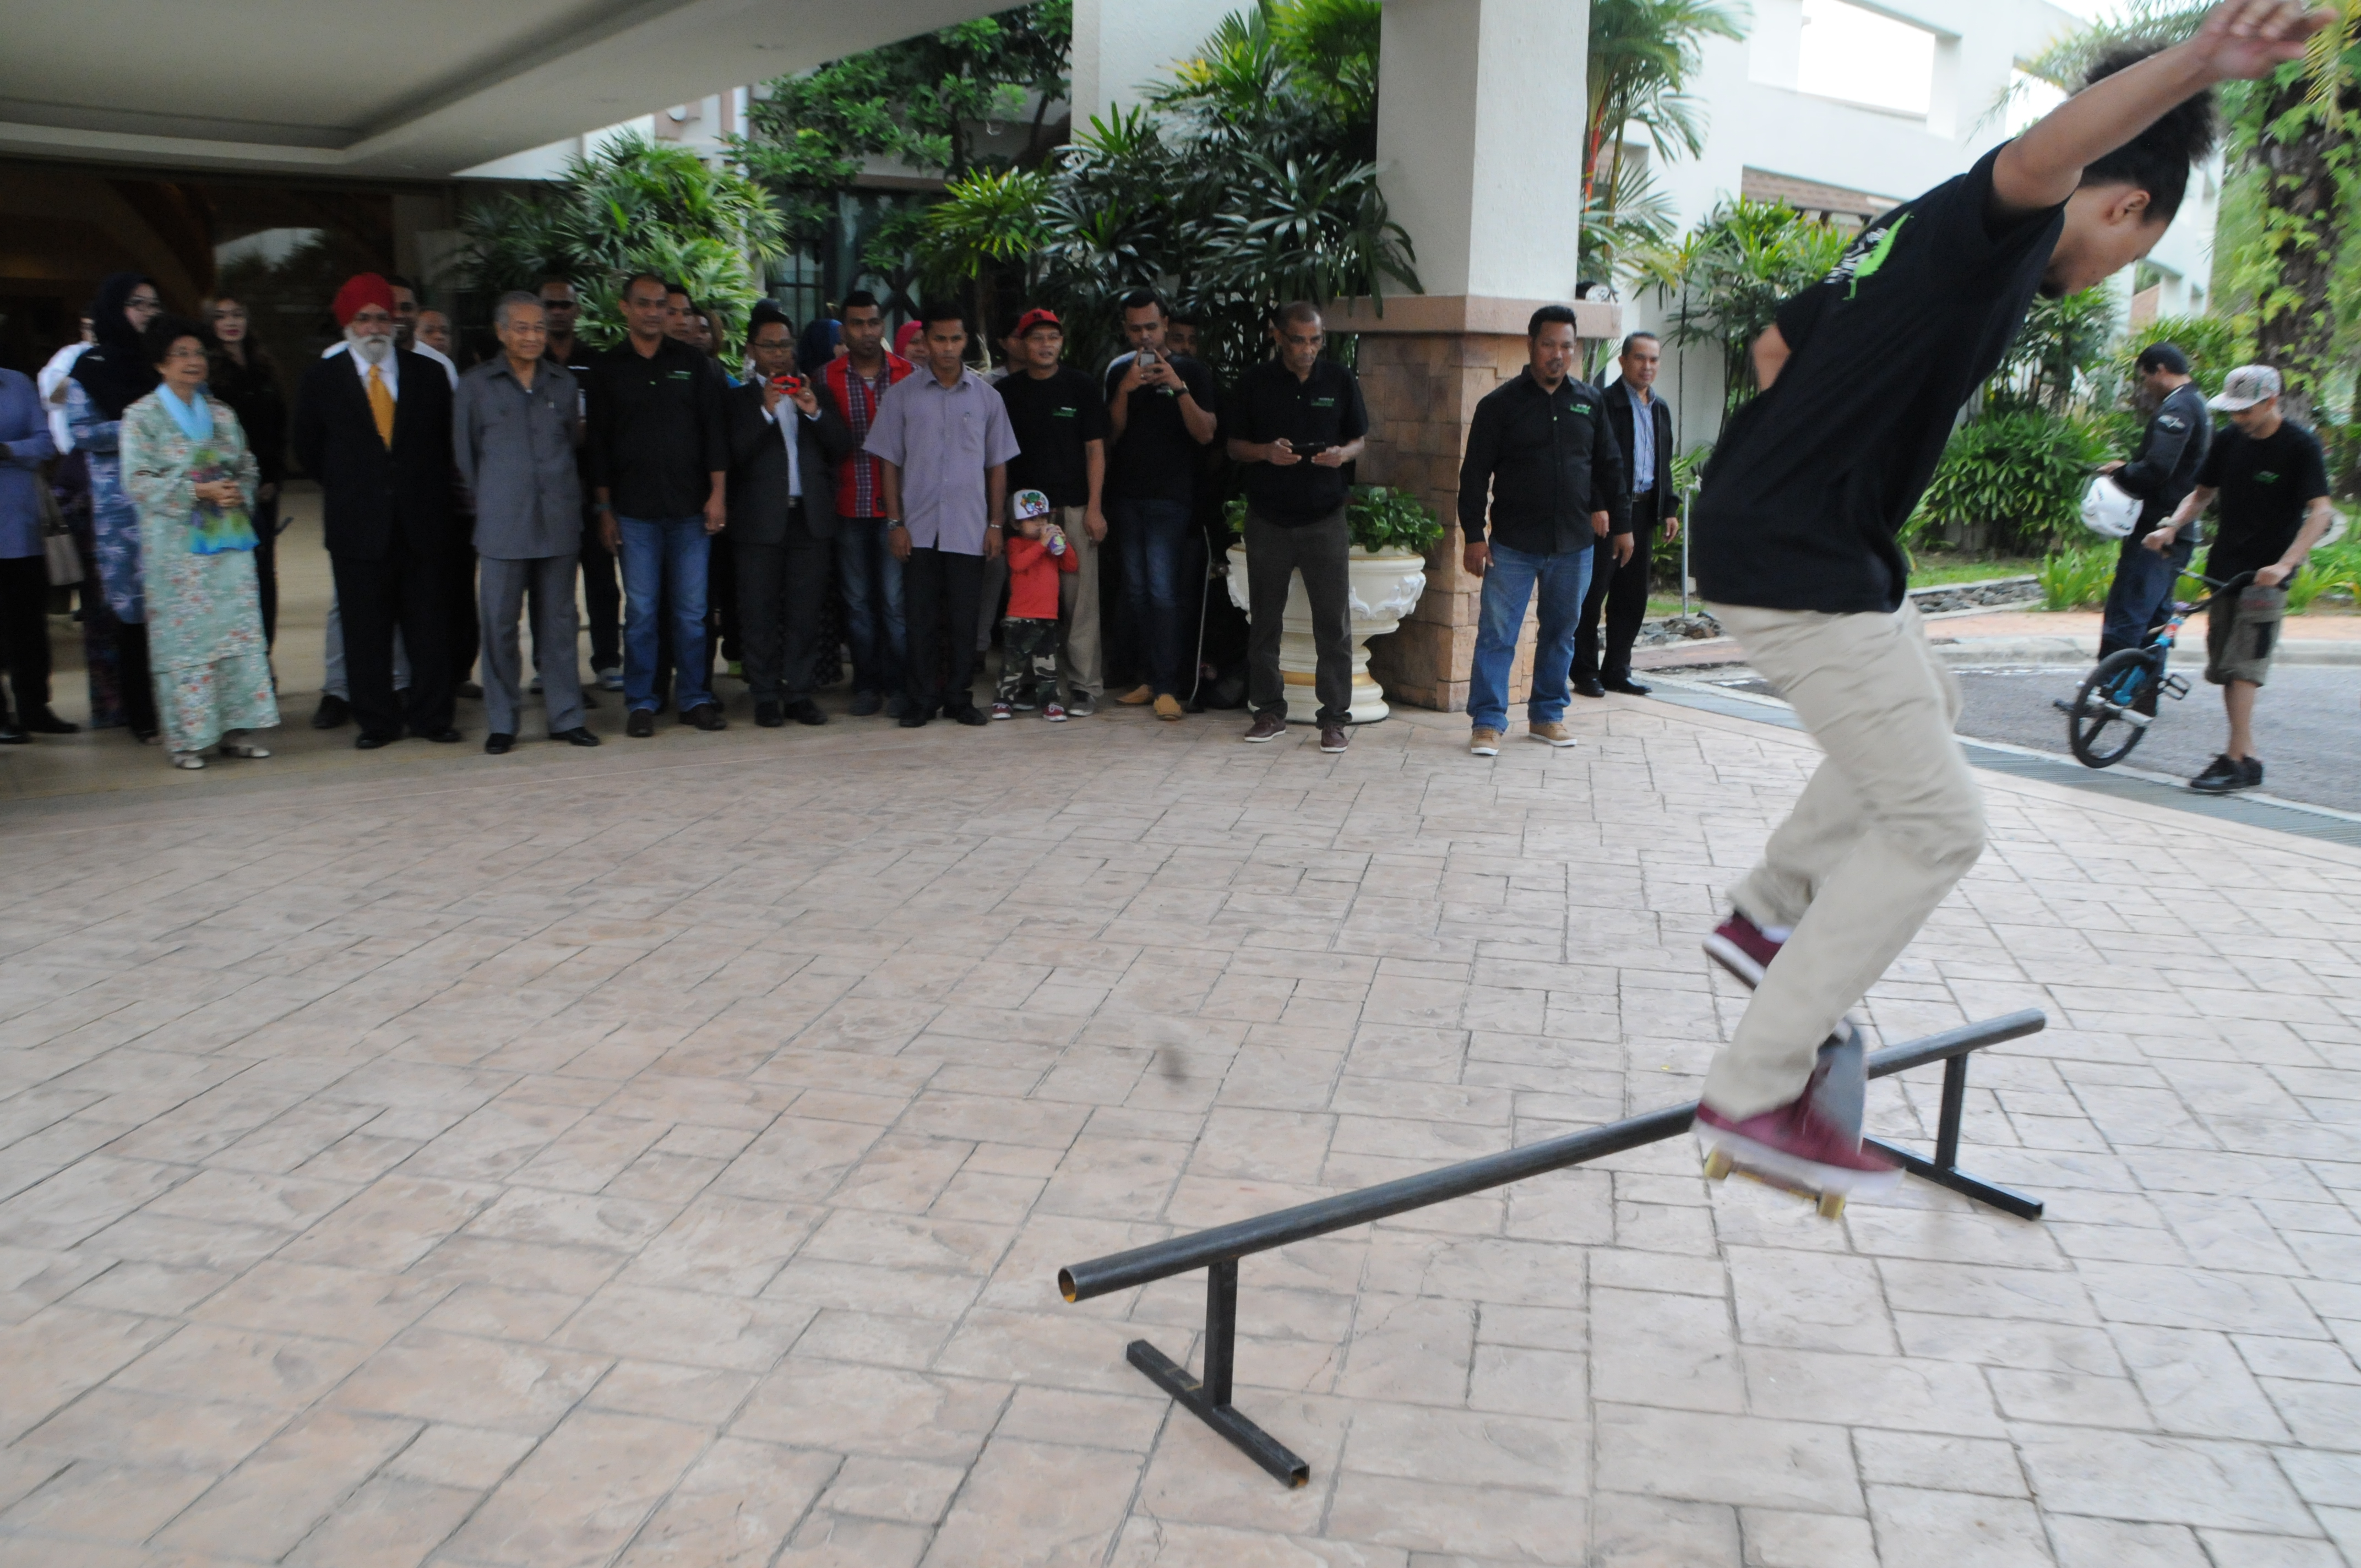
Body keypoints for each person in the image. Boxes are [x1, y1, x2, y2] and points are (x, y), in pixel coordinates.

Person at [1684, 4, 2320, 1202]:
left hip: (1801, 535)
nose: (2107, 281)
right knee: (1940, 822)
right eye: (2129, 256)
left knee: (1932, 695)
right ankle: (1755, 1086)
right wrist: (2198, 62)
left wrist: (1823, 453)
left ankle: (1766, 913)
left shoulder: (1900, 234)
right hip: (1795, 552)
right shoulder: (2003, 224)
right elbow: (2045, 155)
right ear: (2123, 207)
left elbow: (1776, 349)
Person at [2142, 363, 2332, 794]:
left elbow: (2321, 512)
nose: (2239, 418)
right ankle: (2247, 758)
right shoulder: (2229, 440)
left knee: (2245, 667)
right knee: (2227, 669)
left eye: (2246, 410)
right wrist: (2170, 526)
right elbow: (2201, 494)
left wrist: (2285, 565)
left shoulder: (2300, 446)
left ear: (2271, 402)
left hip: (2267, 577)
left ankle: (2233, 759)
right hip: (2225, 567)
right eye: (2233, 410)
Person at [290, 273, 461, 749]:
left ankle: (433, 718)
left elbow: (445, 445)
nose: (374, 328)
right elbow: (308, 449)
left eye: (382, 318)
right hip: (358, 527)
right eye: (363, 319)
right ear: (348, 324)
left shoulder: (428, 374)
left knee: (429, 628)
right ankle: (377, 722)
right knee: (365, 631)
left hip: (422, 525)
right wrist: (357, 489)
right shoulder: (322, 379)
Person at [1457, 306, 1629, 756]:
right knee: (1497, 635)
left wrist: (1623, 525)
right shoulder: (1499, 406)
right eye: (1549, 344)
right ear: (1531, 344)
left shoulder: (1589, 402)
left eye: (1567, 346)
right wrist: (1474, 535)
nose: (1558, 354)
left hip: (1574, 545)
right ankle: (1487, 722)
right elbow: (1474, 475)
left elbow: (1608, 466)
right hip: (1513, 544)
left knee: (1561, 633)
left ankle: (1547, 715)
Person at [119, 314, 278, 769]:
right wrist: (197, 491)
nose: (194, 361)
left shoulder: (222, 414)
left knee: (235, 633)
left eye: (199, 353)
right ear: (160, 363)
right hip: (177, 549)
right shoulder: (141, 417)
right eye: (181, 354)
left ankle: (237, 730)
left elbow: (247, 465)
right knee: (186, 643)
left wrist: (237, 491)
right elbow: (137, 482)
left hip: (228, 543)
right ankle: (188, 740)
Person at [454, 292, 600, 756]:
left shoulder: (562, 383)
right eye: (522, 328)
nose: (533, 336)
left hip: (557, 521)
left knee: (559, 624)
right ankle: (503, 722)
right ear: (501, 333)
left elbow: (571, 444)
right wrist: (497, 498)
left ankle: (566, 717)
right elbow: (466, 457)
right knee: (499, 626)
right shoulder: (475, 386)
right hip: (503, 526)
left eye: (539, 328)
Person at [863, 301, 1020, 728]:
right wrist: (895, 523)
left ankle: (959, 698)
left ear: (966, 341)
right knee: (920, 619)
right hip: (918, 529)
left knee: (965, 621)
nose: (947, 348)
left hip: (969, 528)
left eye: (955, 339)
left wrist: (995, 524)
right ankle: (922, 699)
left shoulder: (987, 398)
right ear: (926, 341)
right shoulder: (902, 396)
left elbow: (998, 465)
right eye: (939, 339)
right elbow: (889, 463)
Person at [589, 273, 731, 737]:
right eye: (644, 304)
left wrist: (718, 495)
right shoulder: (608, 368)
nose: (654, 312)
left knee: (692, 614)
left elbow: (714, 434)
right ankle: (642, 702)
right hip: (634, 513)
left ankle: (695, 698)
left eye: (661, 305)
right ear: (626, 308)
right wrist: (604, 511)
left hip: (691, 511)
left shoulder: (693, 363)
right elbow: (598, 445)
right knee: (643, 614)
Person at [1228, 301, 1369, 754]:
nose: (1308, 349)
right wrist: (1265, 452)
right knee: (1265, 621)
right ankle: (1269, 712)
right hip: (1268, 517)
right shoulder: (1255, 382)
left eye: (1316, 340)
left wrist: (1342, 455)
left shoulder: (1339, 379)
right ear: (1279, 337)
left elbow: (1359, 439)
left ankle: (1334, 719)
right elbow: (1233, 446)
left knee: (1334, 624)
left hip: (1324, 516)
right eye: (1298, 340)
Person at [727, 309, 854, 728]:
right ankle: (765, 695)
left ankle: (799, 693)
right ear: (752, 350)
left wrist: (814, 411)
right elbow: (732, 455)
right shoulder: (738, 400)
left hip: (809, 519)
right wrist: (765, 413)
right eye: (770, 346)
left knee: (806, 613)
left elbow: (841, 446)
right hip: (758, 522)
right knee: (758, 613)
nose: (779, 354)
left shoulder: (816, 391)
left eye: (785, 345)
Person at [1104, 289, 1218, 716]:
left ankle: (1168, 685)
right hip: (1126, 497)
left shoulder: (1192, 371)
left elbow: (1207, 433)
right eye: (1136, 329)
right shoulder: (1120, 372)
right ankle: (1149, 679)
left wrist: (1178, 386)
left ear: (1166, 324)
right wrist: (1125, 391)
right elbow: (1109, 436)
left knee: (1164, 592)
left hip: (1172, 499)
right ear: (1126, 330)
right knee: (1137, 593)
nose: (1145, 336)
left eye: (1151, 327)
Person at [996, 308, 1109, 716]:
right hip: (1026, 519)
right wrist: (1001, 519)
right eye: (1036, 338)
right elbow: (998, 460)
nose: (1046, 345)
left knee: (1081, 602)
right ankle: (1031, 682)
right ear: (1021, 344)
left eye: (1053, 337)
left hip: (1075, 508)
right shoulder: (1005, 392)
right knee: (1028, 600)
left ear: (1062, 342)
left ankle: (1083, 686)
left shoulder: (1081, 386)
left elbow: (1095, 450)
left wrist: (1095, 509)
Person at [68, 271, 165, 744]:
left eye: (153, 305)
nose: (147, 313)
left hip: (172, 502)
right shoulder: (91, 366)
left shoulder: (165, 359)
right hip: (121, 509)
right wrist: (139, 426)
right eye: (137, 304)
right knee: (131, 613)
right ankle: (139, 713)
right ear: (113, 308)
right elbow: (83, 432)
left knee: (176, 606)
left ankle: (182, 705)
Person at [820, 291, 916, 715]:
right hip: (848, 505)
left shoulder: (909, 374)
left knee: (895, 604)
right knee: (858, 604)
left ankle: (899, 686)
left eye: (873, 323)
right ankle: (866, 685)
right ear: (844, 330)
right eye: (857, 324)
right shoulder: (825, 378)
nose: (866, 331)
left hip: (898, 510)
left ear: (883, 326)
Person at [1576, 331, 1679, 698]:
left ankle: (1617, 670)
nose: (1647, 366)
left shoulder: (1660, 408)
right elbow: (1591, 461)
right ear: (1622, 361)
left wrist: (1669, 508)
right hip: (1607, 515)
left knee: (1632, 597)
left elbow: (1662, 463)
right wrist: (1597, 505)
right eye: (1640, 358)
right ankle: (1584, 671)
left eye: (1654, 359)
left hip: (1643, 511)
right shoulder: (1604, 403)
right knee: (1593, 596)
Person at [2096, 342, 2213, 663]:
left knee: (2129, 613)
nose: (2145, 385)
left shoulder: (2178, 408)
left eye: (2145, 377)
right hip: (2179, 527)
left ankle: (2112, 686)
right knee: (2156, 618)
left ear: (2160, 370)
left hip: (2158, 528)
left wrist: (2122, 474)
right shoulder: (2198, 403)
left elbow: (2158, 468)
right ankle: (2146, 686)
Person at [538, 276, 622, 692]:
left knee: (602, 580)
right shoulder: (529, 360)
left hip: (592, 488)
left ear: (577, 310)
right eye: (550, 305)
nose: (558, 312)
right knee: (549, 585)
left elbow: (608, 427)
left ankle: (607, 661)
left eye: (564, 305)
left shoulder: (596, 362)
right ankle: (547, 666)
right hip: (545, 492)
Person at [202, 295, 289, 648]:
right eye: (221, 316)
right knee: (234, 567)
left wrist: (273, 477)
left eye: (237, 314)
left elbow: (279, 425)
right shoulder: (208, 370)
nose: (230, 322)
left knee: (264, 568)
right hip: (226, 485)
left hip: (265, 482)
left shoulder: (262, 365)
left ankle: (263, 653)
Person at [0, 360, 64, 741]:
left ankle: (34, 706)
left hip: (20, 524)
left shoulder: (16, 383)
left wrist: (8, 450)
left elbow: (45, 443)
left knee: (28, 623)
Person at [993, 489, 1078, 720]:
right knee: (1013, 664)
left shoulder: (1050, 547)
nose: (1040, 523)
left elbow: (1071, 566)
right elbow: (1018, 564)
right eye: (1032, 519)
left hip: (1048, 616)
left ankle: (1050, 702)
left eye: (1043, 518)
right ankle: (1004, 701)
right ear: (1016, 524)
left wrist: (1063, 542)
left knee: (1047, 666)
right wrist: (1042, 544)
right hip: (1019, 616)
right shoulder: (1015, 543)